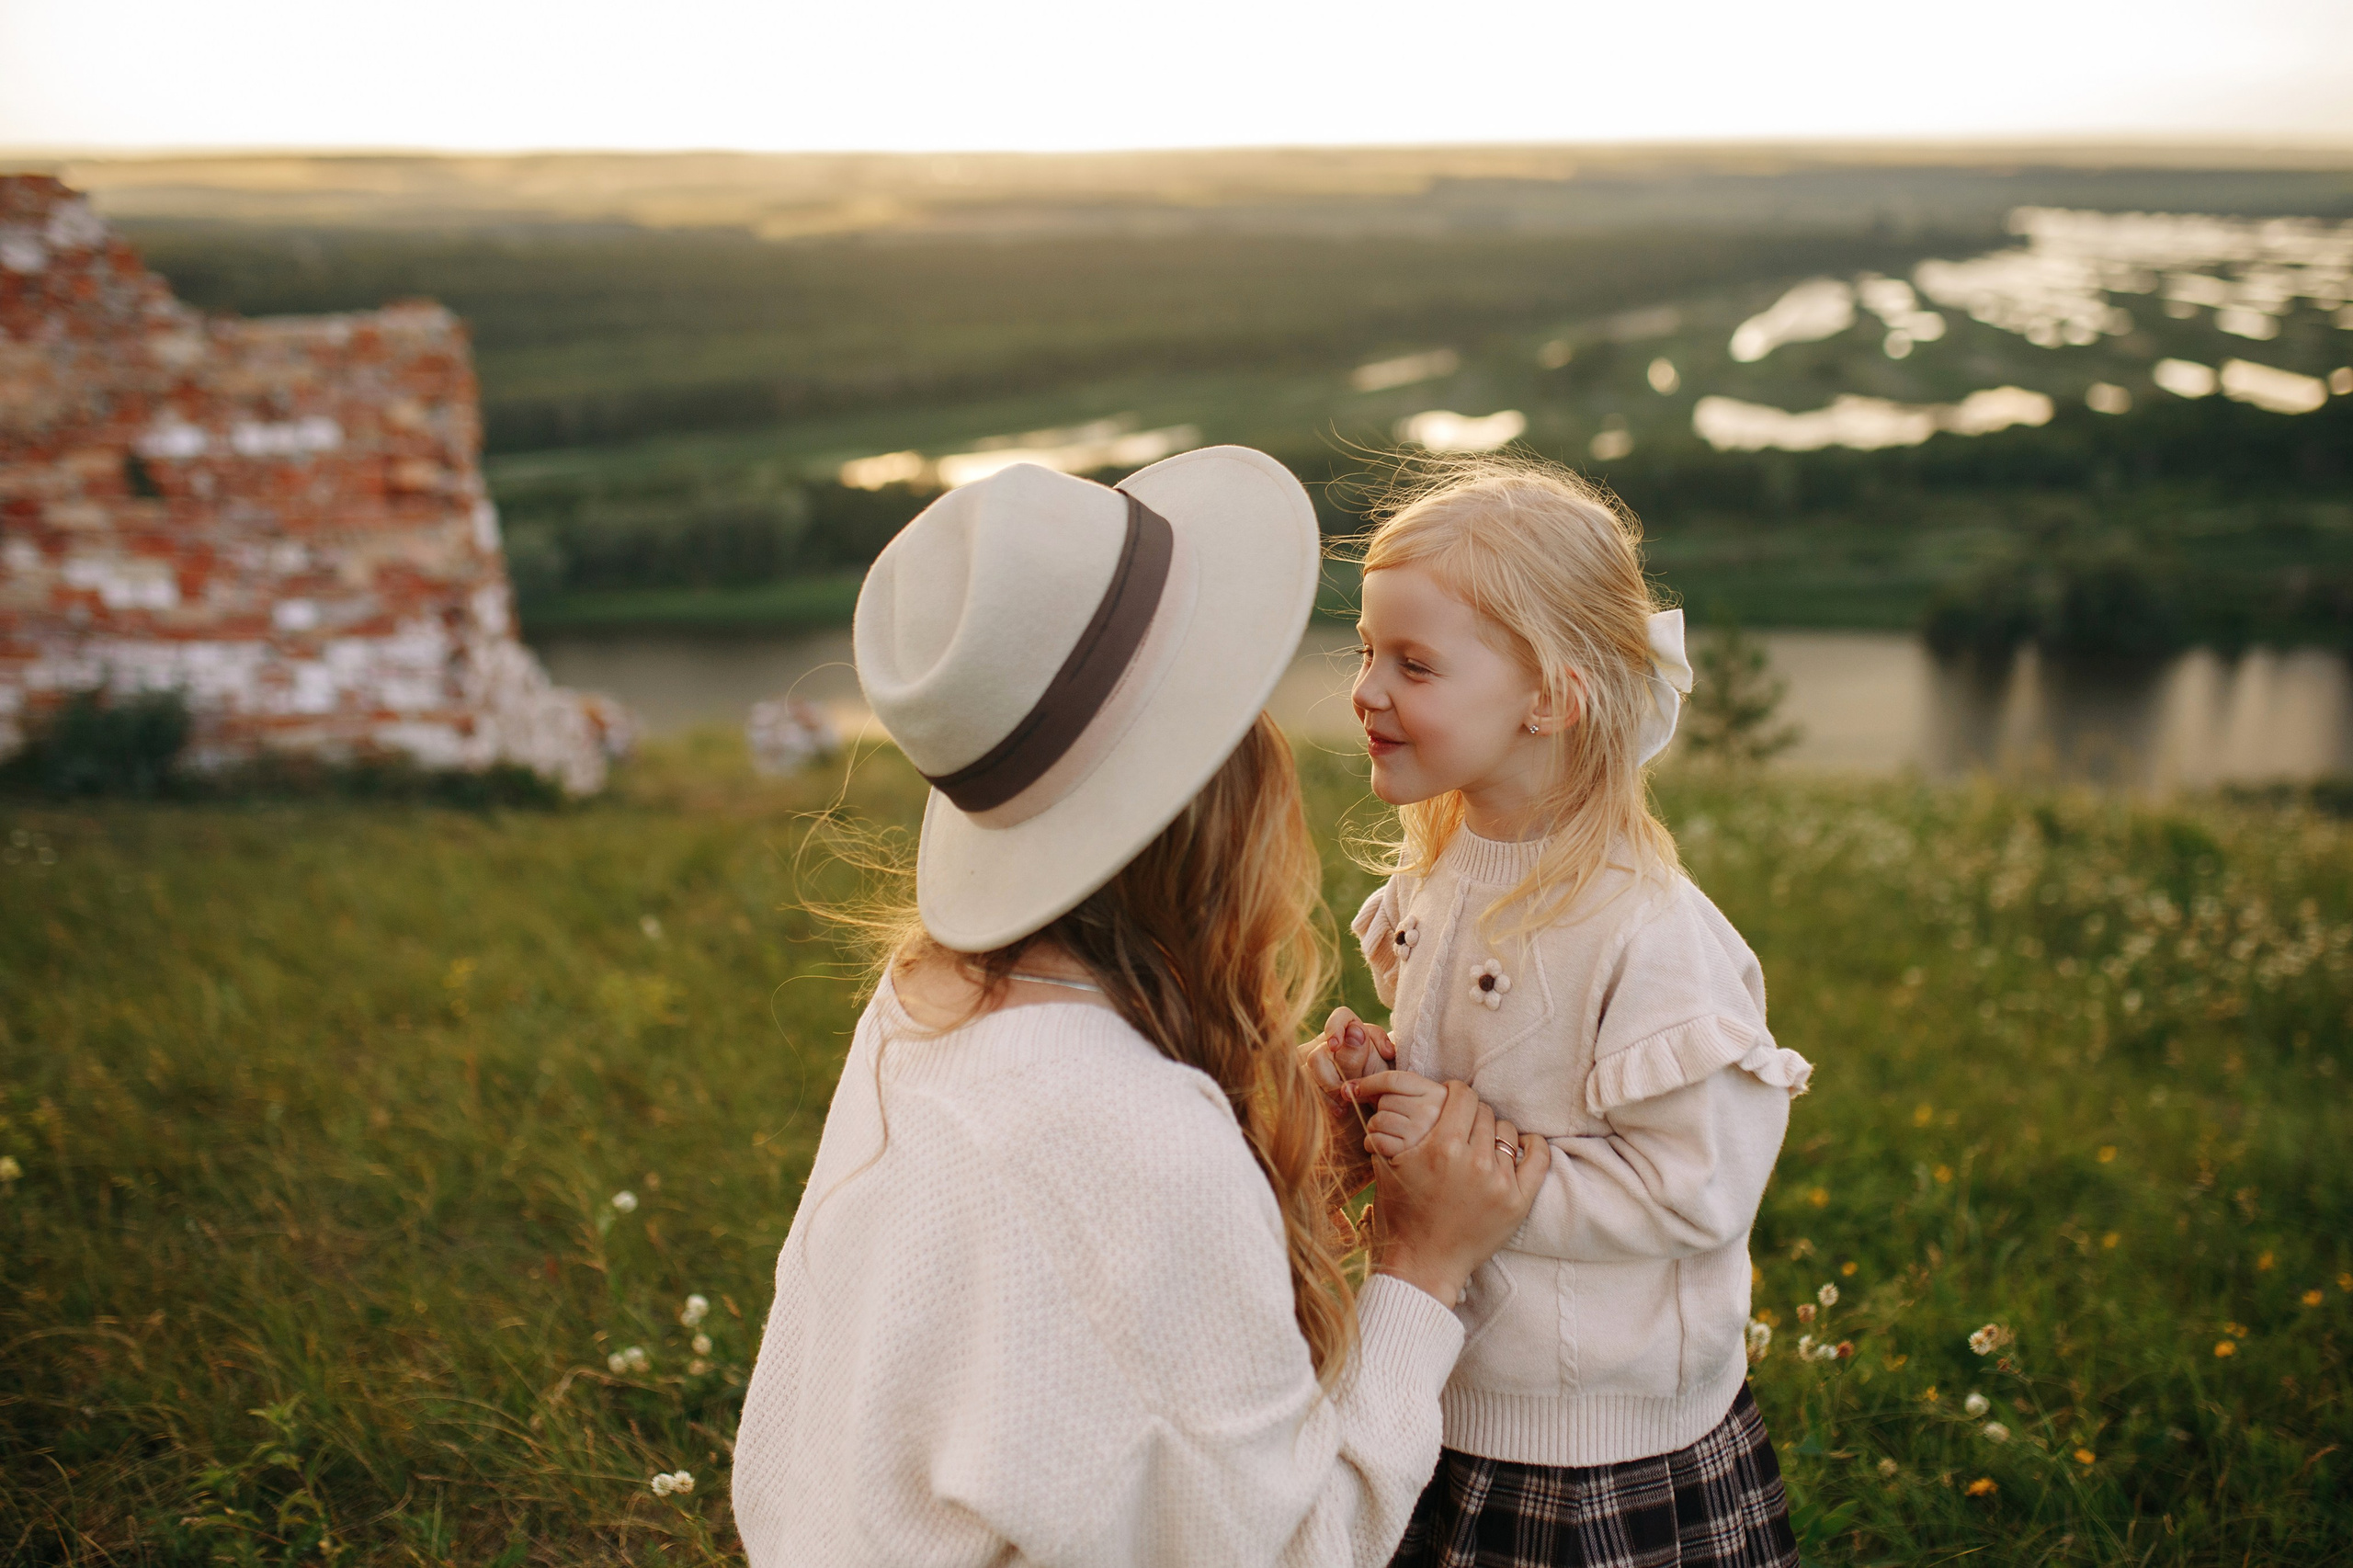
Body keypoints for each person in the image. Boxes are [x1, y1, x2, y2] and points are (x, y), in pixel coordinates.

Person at [732, 449, 1552, 1567]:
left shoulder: (924, 1007)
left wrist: (1271, 1144)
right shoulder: (1139, 1148)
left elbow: (1044, 1321)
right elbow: (1300, 1549)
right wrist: (1420, 1264)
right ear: (1220, 787)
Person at [1315, 454, 1813, 1567]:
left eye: (1415, 663)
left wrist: (1471, 1168)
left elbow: (1697, 1187)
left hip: (1597, 1446)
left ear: (1546, 695)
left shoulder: (1647, 930)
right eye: (1365, 652)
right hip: (1445, 1391)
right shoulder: (1445, 874)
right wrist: (1386, 1080)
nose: (1366, 688)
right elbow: (1489, 1082)